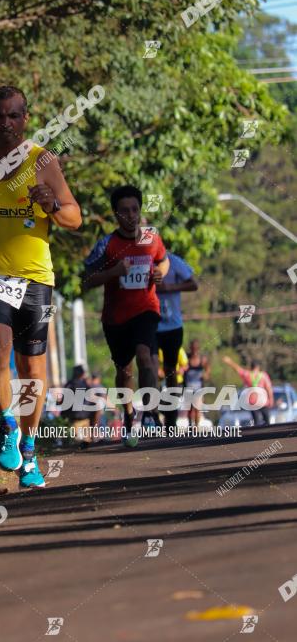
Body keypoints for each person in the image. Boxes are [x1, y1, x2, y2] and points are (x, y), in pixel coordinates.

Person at [0, 86, 81, 488]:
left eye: (13, 116)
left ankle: (29, 448)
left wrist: (52, 205)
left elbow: (75, 217)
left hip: (34, 276)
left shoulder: (43, 162)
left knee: (31, 367)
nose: (5, 123)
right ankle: (7, 422)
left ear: (25, 119)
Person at [82, 184, 169, 448]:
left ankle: (150, 411)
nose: (131, 215)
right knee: (124, 371)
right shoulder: (106, 246)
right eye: (124, 211)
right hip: (115, 318)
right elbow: (85, 281)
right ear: (115, 215)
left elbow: (163, 260)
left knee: (146, 356)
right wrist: (114, 273)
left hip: (146, 309)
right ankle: (130, 415)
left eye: (135, 209)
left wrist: (160, 273)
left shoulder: (152, 238)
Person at [154, 252, 198, 434]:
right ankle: (153, 415)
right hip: (148, 324)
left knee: (170, 371)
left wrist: (168, 287)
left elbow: (193, 284)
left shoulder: (174, 261)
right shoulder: (137, 260)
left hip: (172, 326)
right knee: (148, 366)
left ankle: (170, 420)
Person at [223, 356, 274, 426]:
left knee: (256, 422)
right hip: (263, 402)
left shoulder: (247, 375)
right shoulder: (263, 376)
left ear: (251, 367)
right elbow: (269, 388)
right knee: (267, 422)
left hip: (253, 402)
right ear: (258, 367)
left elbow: (238, 369)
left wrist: (229, 362)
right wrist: (271, 399)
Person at [184, 340, 210, 429]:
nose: (194, 350)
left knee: (197, 408)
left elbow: (207, 371)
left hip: (199, 387)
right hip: (188, 387)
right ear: (190, 348)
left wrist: (205, 375)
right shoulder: (186, 358)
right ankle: (190, 425)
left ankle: (196, 426)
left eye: (196, 349)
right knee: (189, 409)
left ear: (198, 349)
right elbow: (180, 368)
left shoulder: (202, 359)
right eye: (193, 349)